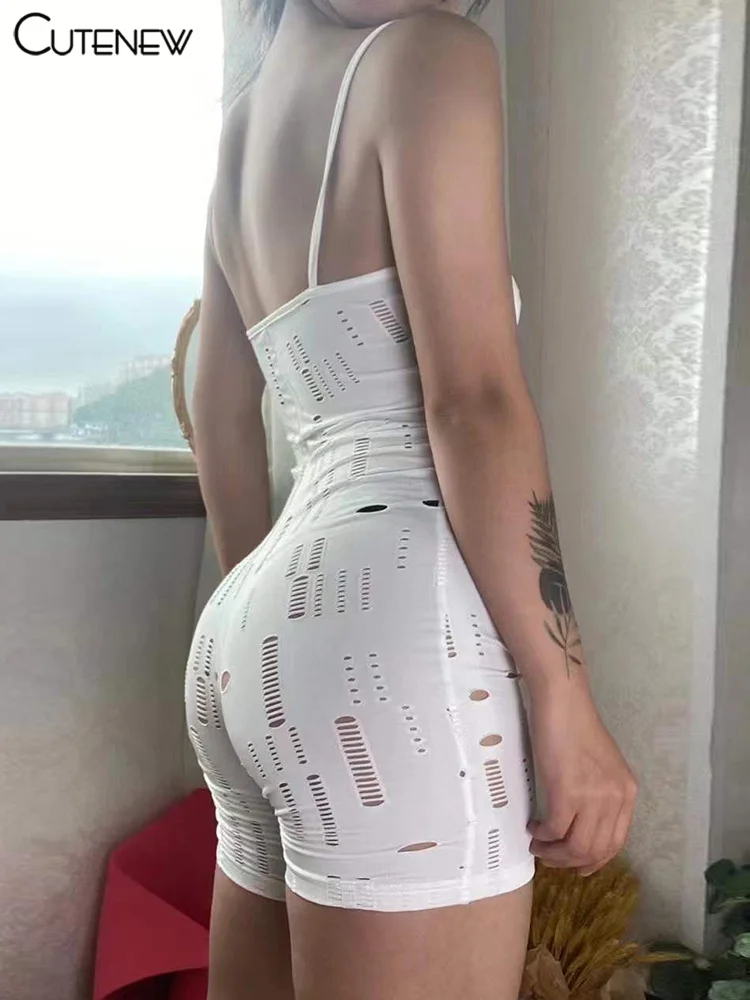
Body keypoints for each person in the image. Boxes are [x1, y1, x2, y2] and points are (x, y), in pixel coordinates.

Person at [185, 1, 638, 998]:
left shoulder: (244, 123)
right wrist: (564, 694)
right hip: (395, 618)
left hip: (249, 628)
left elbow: (217, 409)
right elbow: (472, 400)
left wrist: (282, 631)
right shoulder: (432, 55)